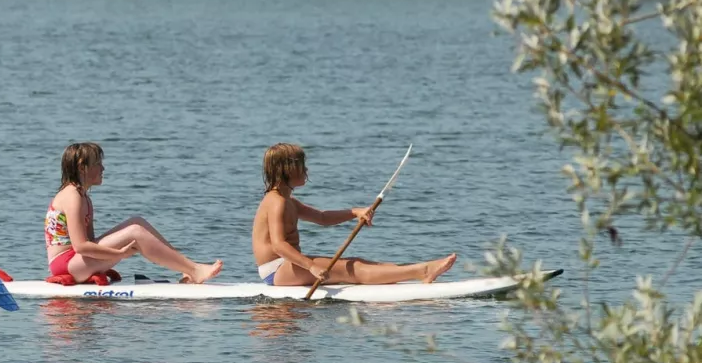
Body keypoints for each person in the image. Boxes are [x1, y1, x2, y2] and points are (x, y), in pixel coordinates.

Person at [252, 142, 456, 287]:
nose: (306, 169)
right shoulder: (276, 202)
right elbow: (279, 245)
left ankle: (414, 271)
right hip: (276, 271)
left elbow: (322, 218)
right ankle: (423, 271)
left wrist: (355, 212)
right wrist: (311, 266)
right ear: (287, 171)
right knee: (352, 268)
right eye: (301, 166)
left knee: (356, 261)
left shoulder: (287, 201)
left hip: (288, 266)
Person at [45, 142, 223, 286]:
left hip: (74, 261)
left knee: (136, 222)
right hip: (66, 265)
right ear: (82, 168)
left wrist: (113, 252)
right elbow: (81, 247)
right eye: (97, 164)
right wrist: (117, 254)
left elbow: (89, 242)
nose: (103, 168)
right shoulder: (72, 196)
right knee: (135, 232)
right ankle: (194, 270)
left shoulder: (83, 196)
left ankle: (186, 267)